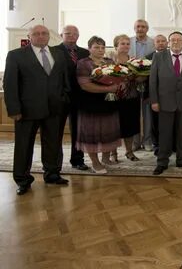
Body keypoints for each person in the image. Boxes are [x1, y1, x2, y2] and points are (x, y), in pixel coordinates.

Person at [4, 25, 71, 195]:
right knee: (24, 145)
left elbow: (65, 80)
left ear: (49, 36)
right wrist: (14, 109)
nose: (41, 36)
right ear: (29, 36)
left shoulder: (59, 54)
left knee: (53, 143)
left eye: (44, 33)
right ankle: (23, 179)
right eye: (36, 34)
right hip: (27, 110)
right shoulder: (16, 55)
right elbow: (10, 84)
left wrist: (64, 100)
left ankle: (52, 174)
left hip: (55, 109)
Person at [149, 31, 182, 175]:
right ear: (168, 42)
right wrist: (154, 101)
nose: (176, 42)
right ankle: (162, 162)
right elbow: (153, 81)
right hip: (165, 102)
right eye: (173, 40)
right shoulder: (158, 56)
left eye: (179, 40)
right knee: (165, 133)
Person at [76, 36, 123, 174]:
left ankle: (106, 158)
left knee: (109, 131)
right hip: (90, 103)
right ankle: (95, 163)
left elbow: (117, 78)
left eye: (103, 47)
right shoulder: (83, 63)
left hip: (109, 102)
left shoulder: (110, 62)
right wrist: (108, 89)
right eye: (96, 47)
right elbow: (85, 85)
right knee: (92, 133)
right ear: (89, 48)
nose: (100, 50)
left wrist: (119, 84)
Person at [56, 25, 90, 171]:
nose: (71, 36)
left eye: (74, 33)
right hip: (60, 97)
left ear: (78, 36)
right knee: (56, 132)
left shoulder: (84, 52)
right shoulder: (54, 51)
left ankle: (77, 160)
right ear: (61, 35)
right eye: (67, 33)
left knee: (78, 131)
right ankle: (54, 163)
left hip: (80, 98)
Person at [112, 35, 142, 162]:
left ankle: (129, 152)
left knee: (130, 126)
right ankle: (113, 154)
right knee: (113, 127)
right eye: (122, 43)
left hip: (131, 97)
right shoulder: (109, 60)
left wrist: (137, 77)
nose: (125, 46)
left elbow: (141, 78)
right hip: (114, 98)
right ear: (116, 46)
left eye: (127, 43)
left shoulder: (134, 61)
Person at [129, 19, 155, 152]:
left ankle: (148, 141)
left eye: (143, 27)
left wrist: (144, 76)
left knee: (147, 113)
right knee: (134, 113)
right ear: (134, 28)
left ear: (147, 29)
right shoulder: (127, 42)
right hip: (131, 83)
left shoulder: (154, 43)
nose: (140, 29)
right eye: (138, 26)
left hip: (148, 82)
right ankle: (135, 141)